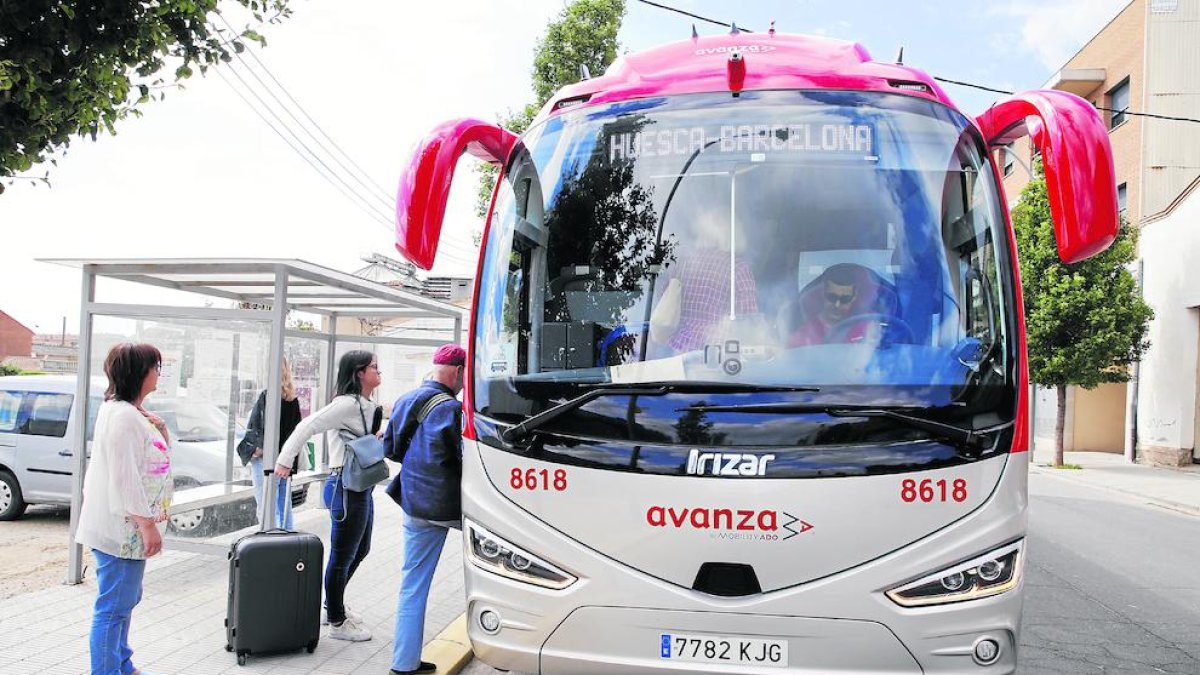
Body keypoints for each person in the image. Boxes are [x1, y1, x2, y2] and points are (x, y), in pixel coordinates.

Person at [76, 342, 172, 675]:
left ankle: (122, 664)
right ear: (139, 372)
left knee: (123, 603)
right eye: (155, 367)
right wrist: (147, 525)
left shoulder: (124, 411)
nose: (158, 373)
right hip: (121, 529)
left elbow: (154, 460)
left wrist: (160, 428)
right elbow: (125, 477)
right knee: (114, 608)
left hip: (125, 527)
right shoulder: (123, 417)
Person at [274, 350, 382, 642]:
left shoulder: (365, 405)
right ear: (359, 372)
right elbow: (306, 425)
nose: (378, 372)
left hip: (361, 486)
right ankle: (336, 620)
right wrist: (285, 460)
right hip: (344, 486)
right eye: (374, 367)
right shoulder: (345, 404)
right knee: (343, 555)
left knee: (361, 549)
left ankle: (332, 604)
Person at [384, 344, 466, 675]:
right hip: (443, 506)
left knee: (412, 583)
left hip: (412, 501)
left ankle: (403, 664)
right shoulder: (453, 410)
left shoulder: (405, 399)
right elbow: (466, 461)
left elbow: (390, 448)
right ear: (459, 372)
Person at [244, 357, 303, 530]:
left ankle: (271, 544)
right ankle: (288, 542)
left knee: (267, 507)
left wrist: (254, 450)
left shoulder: (267, 395)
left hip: (267, 461)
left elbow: (256, 429)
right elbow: (295, 431)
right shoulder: (292, 399)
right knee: (284, 507)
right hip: (285, 460)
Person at [788, 263, 885, 346]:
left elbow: (879, 359)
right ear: (823, 293)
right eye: (832, 297)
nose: (837, 304)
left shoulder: (868, 324)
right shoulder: (806, 332)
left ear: (854, 297)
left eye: (845, 299)